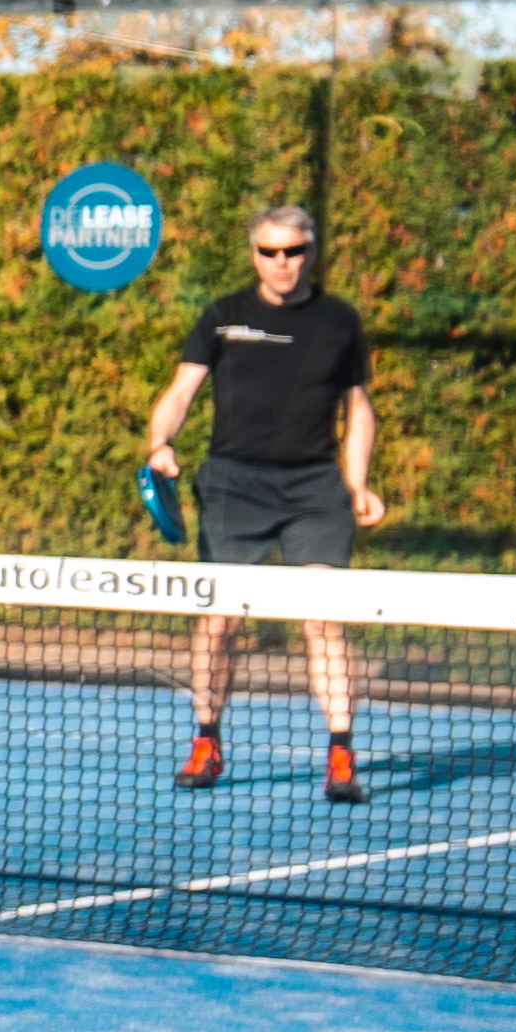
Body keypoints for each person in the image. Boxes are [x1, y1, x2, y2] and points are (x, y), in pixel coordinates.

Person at [140, 202, 385, 804]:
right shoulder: (223, 316)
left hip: (314, 489)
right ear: (254, 255)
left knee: (323, 620)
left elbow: (358, 409)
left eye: (293, 251)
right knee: (219, 622)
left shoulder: (339, 321)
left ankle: (341, 754)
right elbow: (179, 391)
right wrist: (159, 444)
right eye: (269, 252)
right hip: (232, 484)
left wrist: (357, 485)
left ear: (311, 252)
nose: (282, 263)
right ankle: (206, 741)